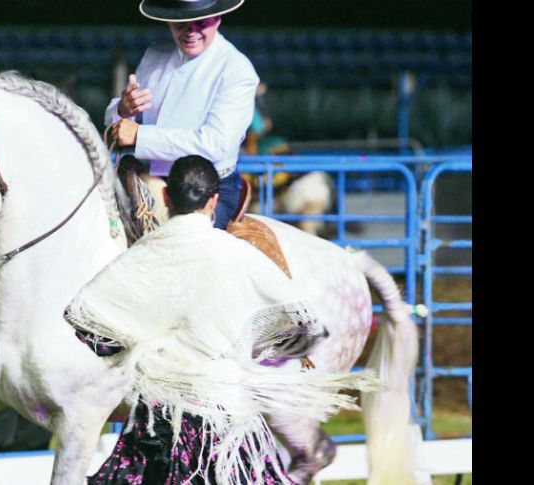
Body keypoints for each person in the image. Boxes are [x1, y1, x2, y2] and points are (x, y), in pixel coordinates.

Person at [65, 156, 379, 484]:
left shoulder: (140, 256)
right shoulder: (241, 256)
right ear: (214, 200)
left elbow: (86, 320)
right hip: (225, 424)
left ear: (167, 198)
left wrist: (141, 354)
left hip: (155, 423)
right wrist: (245, 354)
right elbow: (304, 326)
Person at [106, 0, 259, 229]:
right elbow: (122, 125)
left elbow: (214, 144)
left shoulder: (236, 70)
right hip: (146, 179)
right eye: (182, 23)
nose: (191, 31)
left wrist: (140, 136)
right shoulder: (154, 55)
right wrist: (123, 110)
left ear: (217, 18)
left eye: (201, 22)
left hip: (204, 188)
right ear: (169, 21)